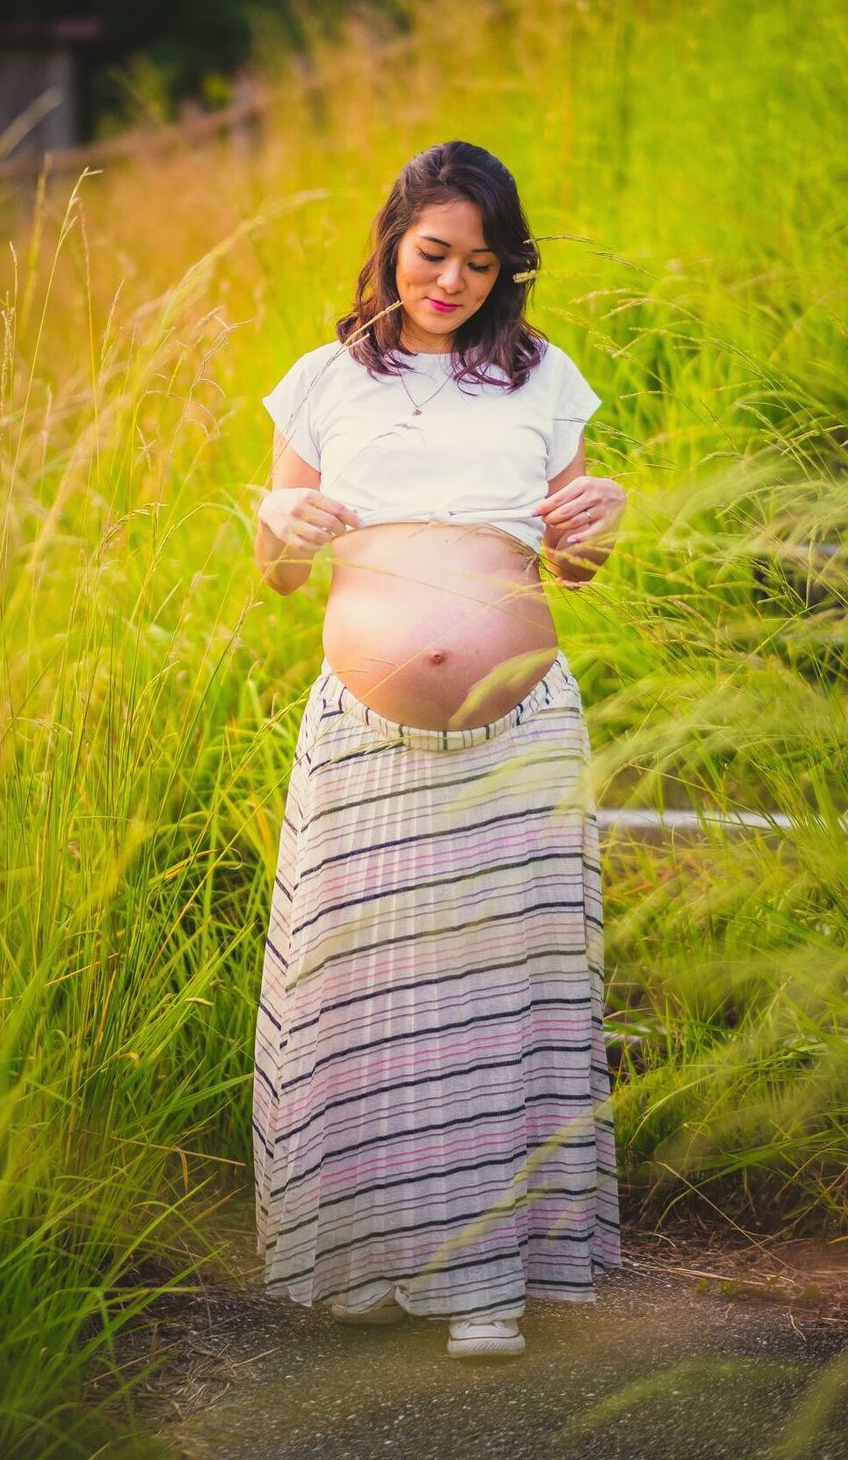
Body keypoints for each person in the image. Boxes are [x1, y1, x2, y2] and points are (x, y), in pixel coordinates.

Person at [251, 140, 626, 1361]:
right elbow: (280, 571)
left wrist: (597, 521)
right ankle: (360, 1256)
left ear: (505, 268)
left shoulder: (543, 378)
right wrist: (280, 523)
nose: (452, 282)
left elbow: (573, 557)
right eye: (432, 255)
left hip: (517, 725)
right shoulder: (321, 382)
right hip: (364, 738)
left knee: (491, 992)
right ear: (393, 242)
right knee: (358, 984)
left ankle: (485, 1280)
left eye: (479, 262)